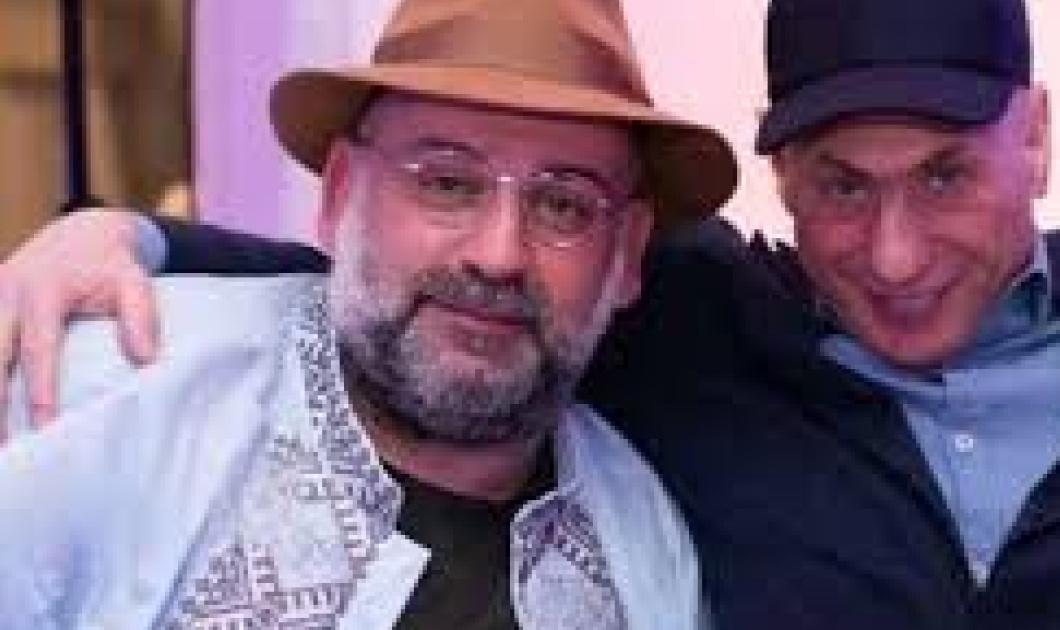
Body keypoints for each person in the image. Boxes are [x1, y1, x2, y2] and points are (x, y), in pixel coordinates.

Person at [3, 0, 1060, 627]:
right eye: (841, 185)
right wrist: (136, 240)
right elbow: (395, 291)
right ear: (783, 180)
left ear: (1036, 139)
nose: (894, 254)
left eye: (945, 176)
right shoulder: (701, 332)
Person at [0, 0, 741, 627]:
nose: (499, 255)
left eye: (564, 205)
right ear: (338, 195)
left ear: (628, 253)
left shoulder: (641, 534)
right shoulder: (98, 400)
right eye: (447, 183)